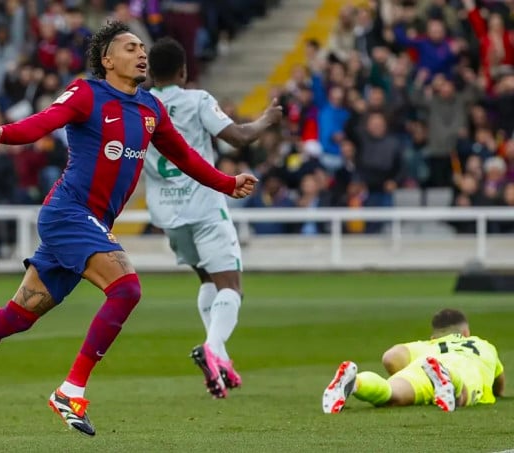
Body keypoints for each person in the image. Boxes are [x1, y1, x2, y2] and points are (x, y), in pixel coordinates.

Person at [0, 22, 258, 437]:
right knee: (127, 289)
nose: (141, 53)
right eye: (129, 47)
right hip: (68, 213)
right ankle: (71, 391)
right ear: (107, 59)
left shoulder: (150, 109)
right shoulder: (88, 93)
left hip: (90, 224)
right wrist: (2, 134)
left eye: (142, 47)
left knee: (18, 315)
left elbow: (186, 158)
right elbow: (44, 121)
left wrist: (228, 183)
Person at [143, 37, 282, 398]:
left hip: (167, 214)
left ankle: (220, 357)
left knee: (207, 278)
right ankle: (214, 349)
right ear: (183, 71)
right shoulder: (197, 100)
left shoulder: (138, 106)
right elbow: (237, 137)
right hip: (204, 207)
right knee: (231, 286)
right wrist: (267, 119)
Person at [322, 308, 505, 414]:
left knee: (390, 395)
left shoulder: (427, 345)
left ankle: (356, 383)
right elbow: (499, 383)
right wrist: (499, 392)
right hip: (464, 368)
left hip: (426, 365)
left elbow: (390, 357)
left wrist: (405, 373)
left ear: (434, 336)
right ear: (466, 333)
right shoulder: (483, 345)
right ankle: (448, 379)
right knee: (462, 394)